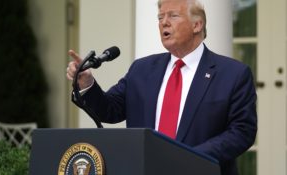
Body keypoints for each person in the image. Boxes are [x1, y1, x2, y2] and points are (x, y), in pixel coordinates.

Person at [66, 0, 257, 175]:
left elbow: (242, 131)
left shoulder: (233, 74)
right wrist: (87, 84)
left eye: (173, 16)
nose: (164, 22)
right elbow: (110, 110)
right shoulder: (141, 69)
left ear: (197, 25)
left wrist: (191, 156)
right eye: (160, 17)